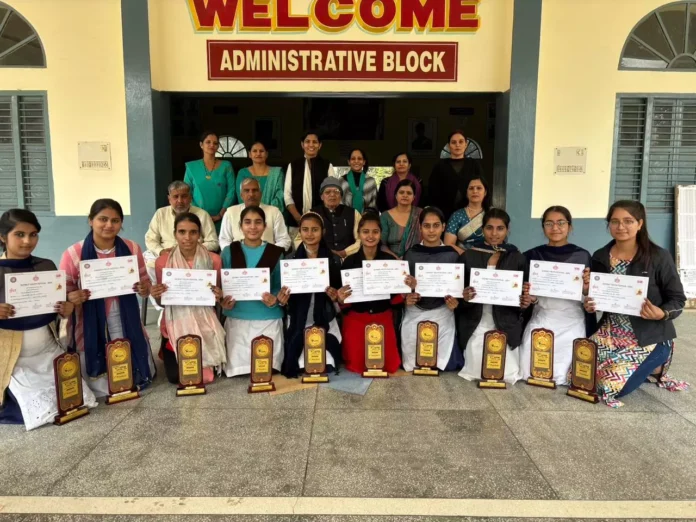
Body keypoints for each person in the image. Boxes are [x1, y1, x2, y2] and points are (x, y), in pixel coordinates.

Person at [584, 200, 688, 408]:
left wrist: (662, 313)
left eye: (628, 221)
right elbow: (599, 295)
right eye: (615, 221)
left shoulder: (658, 257)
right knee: (579, 375)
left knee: (608, 386)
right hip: (610, 331)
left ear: (640, 224)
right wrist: (589, 299)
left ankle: (657, 364)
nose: (621, 227)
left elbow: (678, 299)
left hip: (647, 335)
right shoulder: (601, 256)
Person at [0, 209, 97, 430]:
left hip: (47, 349)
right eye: (20, 235)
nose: (27, 241)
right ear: (3, 237)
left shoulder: (45, 266)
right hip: (11, 356)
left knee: (74, 398)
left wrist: (66, 307)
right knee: (33, 408)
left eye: (33, 234)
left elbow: (58, 311)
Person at [60, 199, 154, 397]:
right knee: (98, 372)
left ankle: (134, 375)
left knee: (127, 341)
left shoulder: (132, 248)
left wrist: (144, 289)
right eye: (103, 219)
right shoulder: (73, 253)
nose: (109, 225)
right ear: (90, 221)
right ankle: (100, 381)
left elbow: (145, 283)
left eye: (115, 220)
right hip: (89, 320)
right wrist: (72, 297)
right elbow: (63, 296)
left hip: (124, 312)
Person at [519, 206, 594, 386]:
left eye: (561, 223)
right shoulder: (531, 256)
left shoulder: (582, 255)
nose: (555, 228)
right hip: (543, 314)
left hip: (572, 317)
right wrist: (528, 296)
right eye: (549, 223)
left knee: (568, 363)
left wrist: (586, 288)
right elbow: (530, 296)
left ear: (570, 226)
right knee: (528, 365)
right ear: (543, 227)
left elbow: (589, 295)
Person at [151, 213, 227, 385]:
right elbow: (162, 303)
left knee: (204, 376)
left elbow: (218, 299)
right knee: (175, 377)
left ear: (199, 234)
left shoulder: (213, 260)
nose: (187, 237)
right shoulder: (163, 262)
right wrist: (157, 295)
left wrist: (219, 295)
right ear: (175, 233)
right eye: (182, 232)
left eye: (193, 232)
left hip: (206, 324)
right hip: (174, 325)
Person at [457, 208, 527, 384]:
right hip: (476, 320)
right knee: (477, 370)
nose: (494, 233)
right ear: (482, 229)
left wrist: (525, 301)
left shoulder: (517, 256)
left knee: (506, 372)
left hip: (505, 321)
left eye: (500, 228)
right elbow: (458, 296)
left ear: (507, 230)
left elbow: (525, 296)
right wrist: (464, 296)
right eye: (489, 228)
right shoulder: (469, 255)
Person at [221, 206, 284, 377]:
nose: (253, 227)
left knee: (267, 368)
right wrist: (223, 301)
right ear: (240, 226)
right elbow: (223, 284)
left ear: (265, 226)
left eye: (258, 222)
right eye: (247, 222)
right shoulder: (229, 251)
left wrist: (275, 299)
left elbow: (279, 284)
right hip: (237, 315)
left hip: (268, 316)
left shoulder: (276, 252)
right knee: (240, 370)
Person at [278, 212, 342, 378]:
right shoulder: (290, 259)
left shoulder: (333, 259)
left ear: (323, 231)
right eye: (305, 229)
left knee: (326, 363)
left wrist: (335, 296)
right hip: (299, 316)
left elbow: (340, 293)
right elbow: (285, 294)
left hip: (324, 315)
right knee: (301, 363)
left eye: (315, 229)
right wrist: (283, 299)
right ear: (299, 231)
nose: (310, 234)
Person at [337, 213, 403, 374]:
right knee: (357, 365)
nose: (370, 236)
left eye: (375, 231)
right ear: (359, 234)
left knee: (388, 364)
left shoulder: (390, 261)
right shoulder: (349, 262)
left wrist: (405, 288)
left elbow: (396, 300)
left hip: (383, 318)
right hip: (356, 319)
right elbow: (344, 301)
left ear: (381, 234)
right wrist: (341, 298)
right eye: (366, 231)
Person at [401, 207, 463, 372]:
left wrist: (456, 302)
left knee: (443, 358)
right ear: (420, 228)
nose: (431, 230)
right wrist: (407, 295)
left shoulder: (452, 255)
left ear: (443, 227)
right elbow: (401, 287)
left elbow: (459, 288)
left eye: (436, 225)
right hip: (415, 310)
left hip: (442, 310)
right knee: (412, 352)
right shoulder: (411, 254)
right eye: (426, 226)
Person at [144, 180, 219, 289]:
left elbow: (213, 242)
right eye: (175, 197)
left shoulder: (202, 215)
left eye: (184, 196)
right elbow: (150, 239)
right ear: (169, 199)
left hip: (194, 254)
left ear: (190, 198)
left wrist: (192, 249)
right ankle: (160, 302)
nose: (180, 201)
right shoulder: (160, 213)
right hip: (166, 254)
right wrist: (161, 251)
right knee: (149, 264)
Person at [284, 131, 337, 236]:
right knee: (298, 251)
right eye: (307, 141)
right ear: (302, 144)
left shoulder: (326, 165)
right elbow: (287, 194)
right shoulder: (293, 165)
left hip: (320, 221)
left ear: (320, 145)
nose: (311, 145)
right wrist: (298, 217)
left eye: (315, 142)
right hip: (296, 223)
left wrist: (318, 217)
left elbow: (332, 194)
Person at [184, 130, 236, 233]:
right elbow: (186, 192)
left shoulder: (226, 166)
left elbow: (232, 190)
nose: (212, 145)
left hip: (222, 217)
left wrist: (221, 214)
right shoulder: (191, 167)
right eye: (208, 142)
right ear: (201, 145)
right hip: (197, 218)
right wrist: (199, 214)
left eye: (215, 143)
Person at [219, 178, 292, 251]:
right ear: (241, 195)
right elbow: (224, 240)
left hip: (268, 258)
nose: (251, 194)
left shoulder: (274, 212)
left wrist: (268, 253)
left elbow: (284, 240)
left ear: (260, 194)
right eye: (247, 191)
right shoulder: (230, 212)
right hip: (238, 258)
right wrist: (237, 254)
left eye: (255, 190)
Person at [427, 130, 484, 221]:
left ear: (466, 144)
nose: (457, 145)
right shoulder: (440, 166)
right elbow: (432, 191)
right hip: (444, 214)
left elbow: (482, 187)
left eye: (461, 142)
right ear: (449, 146)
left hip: (470, 214)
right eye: (453, 142)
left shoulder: (474, 164)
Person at [308, 178, 361, 260]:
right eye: (327, 192)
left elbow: (361, 238)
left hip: (349, 259)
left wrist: (346, 252)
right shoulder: (312, 214)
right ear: (322, 196)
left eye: (336, 192)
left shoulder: (353, 213)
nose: (332, 195)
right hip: (320, 259)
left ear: (341, 196)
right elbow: (301, 239)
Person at [444, 177, 491, 253]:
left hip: (488, 258)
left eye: (479, 188)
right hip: (462, 259)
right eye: (471, 188)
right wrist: (468, 257)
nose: (475, 191)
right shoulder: (457, 215)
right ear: (466, 192)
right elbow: (448, 243)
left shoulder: (491, 214)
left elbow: (499, 240)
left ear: (485, 192)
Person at [236, 141, 285, 213]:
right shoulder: (242, 173)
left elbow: (280, 196)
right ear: (250, 154)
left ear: (266, 154)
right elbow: (242, 197)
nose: (258, 154)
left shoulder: (277, 173)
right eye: (255, 151)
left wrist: (266, 213)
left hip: (272, 215)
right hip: (249, 214)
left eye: (261, 151)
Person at [380, 179, 422, 259]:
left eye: (409, 193)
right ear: (396, 195)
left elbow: (426, 241)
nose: (405, 195)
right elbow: (382, 245)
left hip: (417, 260)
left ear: (414, 197)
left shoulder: (420, 214)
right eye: (401, 192)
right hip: (392, 261)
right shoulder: (385, 216)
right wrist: (397, 259)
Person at [339, 148, 377, 213]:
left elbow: (373, 203)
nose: (356, 161)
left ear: (364, 162)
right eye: (353, 159)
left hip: (366, 219)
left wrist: (366, 216)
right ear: (349, 162)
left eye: (359, 159)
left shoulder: (371, 181)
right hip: (346, 219)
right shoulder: (342, 181)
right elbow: (339, 203)